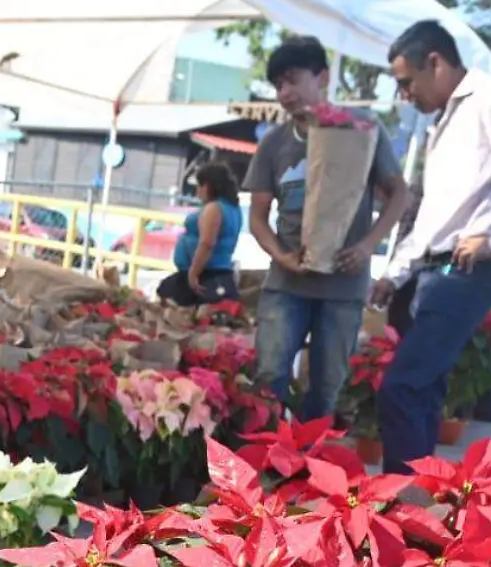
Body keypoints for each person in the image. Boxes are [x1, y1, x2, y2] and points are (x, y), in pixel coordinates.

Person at [370, 20, 491, 473]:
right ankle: (420, 505)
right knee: (425, 387)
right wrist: (394, 274)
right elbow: (434, 218)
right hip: (433, 270)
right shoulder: (444, 123)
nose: (405, 95)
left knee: (403, 386)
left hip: (468, 270)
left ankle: (404, 502)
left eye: (406, 82)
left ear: (434, 62)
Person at [245, 36, 411, 422]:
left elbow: (398, 194)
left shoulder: (363, 130)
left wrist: (369, 244)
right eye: (278, 85)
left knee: (326, 386)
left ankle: (309, 468)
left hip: (344, 286)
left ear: (321, 76)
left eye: (291, 79)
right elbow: (257, 216)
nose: (284, 93)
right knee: (269, 378)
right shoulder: (274, 144)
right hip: (285, 285)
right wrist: (281, 256)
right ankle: (263, 465)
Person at [156, 163, 244, 307]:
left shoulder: (214, 209)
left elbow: (207, 243)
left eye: (199, 185)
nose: (197, 191)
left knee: (169, 296)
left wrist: (193, 272)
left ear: (208, 186)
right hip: (214, 271)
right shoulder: (233, 208)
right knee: (165, 289)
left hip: (206, 273)